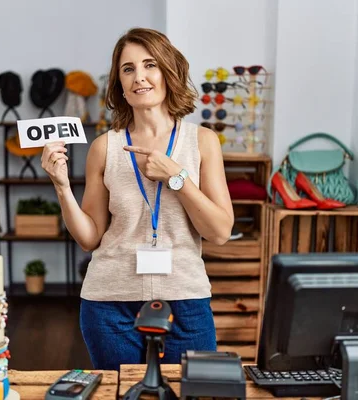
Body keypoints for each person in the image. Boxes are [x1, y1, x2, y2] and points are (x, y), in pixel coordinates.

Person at [40, 27, 234, 371]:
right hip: (109, 303)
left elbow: (219, 231)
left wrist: (177, 177)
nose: (139, 77)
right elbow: (89, 237)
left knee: (193, 392)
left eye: (150, 65)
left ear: (168, 73)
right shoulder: (104, 147)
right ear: (119, 84)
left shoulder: (202, 142)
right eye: (128, 69)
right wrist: (61, 186)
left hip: (185, 297)